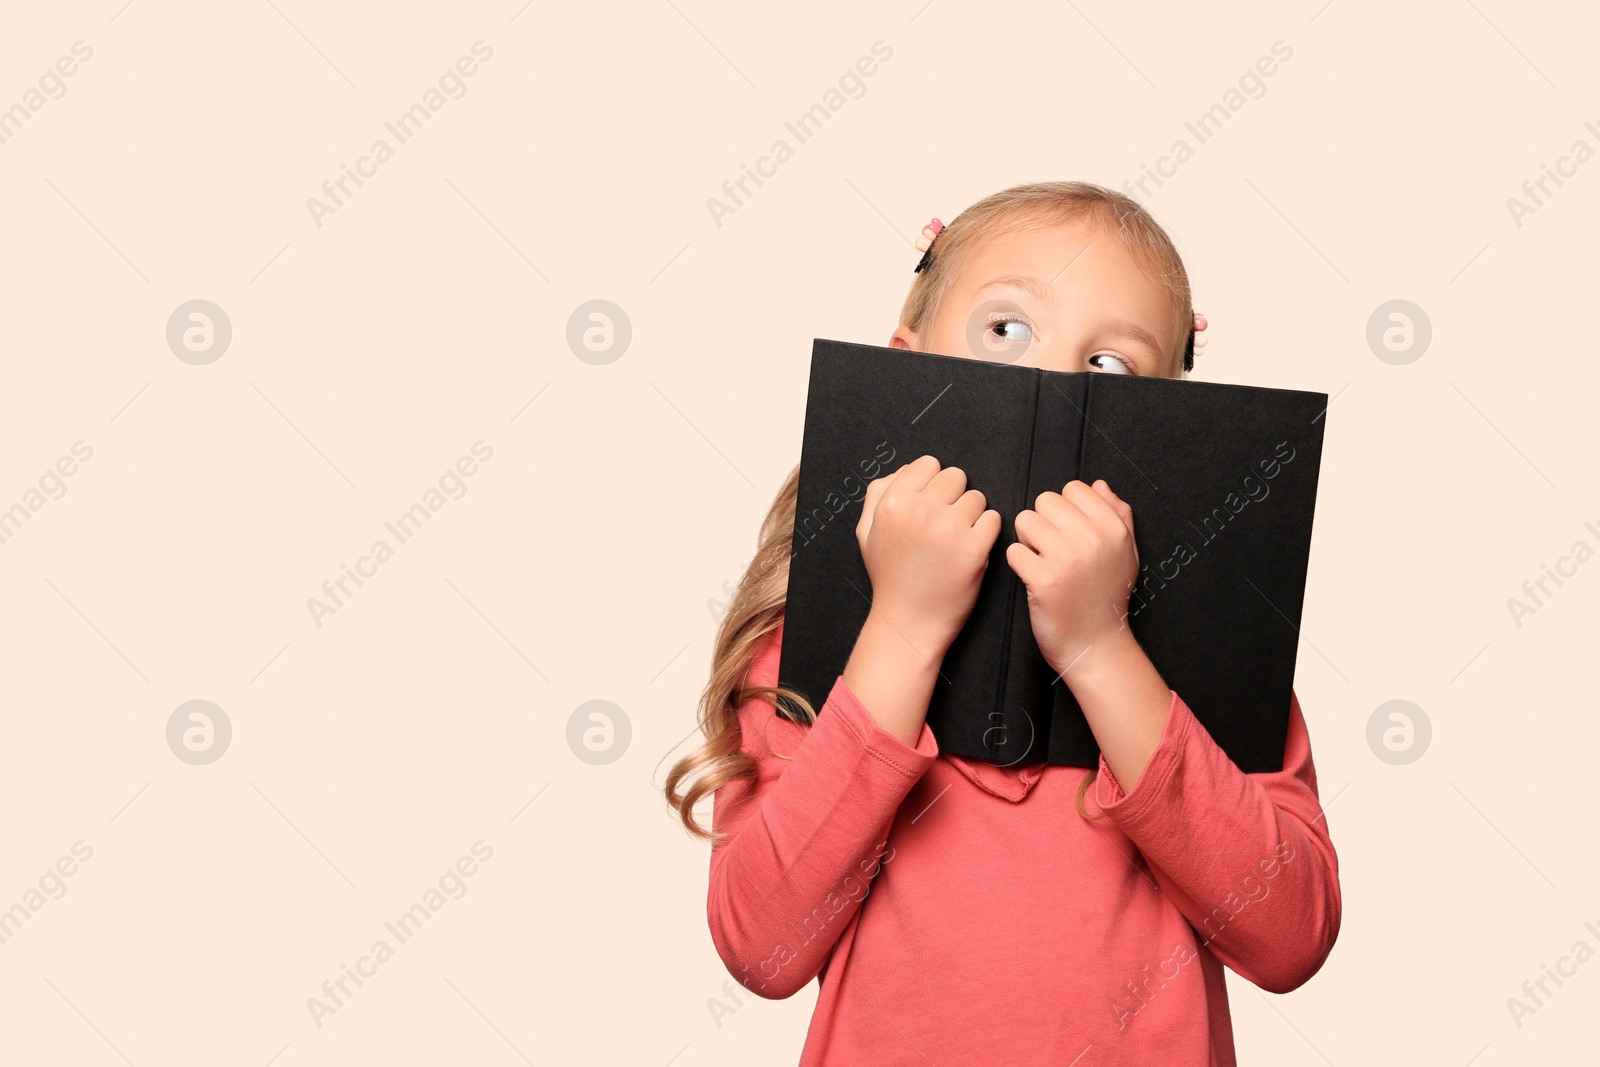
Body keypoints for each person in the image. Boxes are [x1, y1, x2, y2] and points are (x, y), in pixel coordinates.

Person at [662, 181, 1341, 1065]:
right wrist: (901, 629)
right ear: (904, 365)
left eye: (1111, 367)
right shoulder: (812, 641)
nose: (1056, 384)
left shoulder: (1210, 658)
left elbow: (1288, 939)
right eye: (1007, 329)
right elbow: (763, 945)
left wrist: (1102, 648)